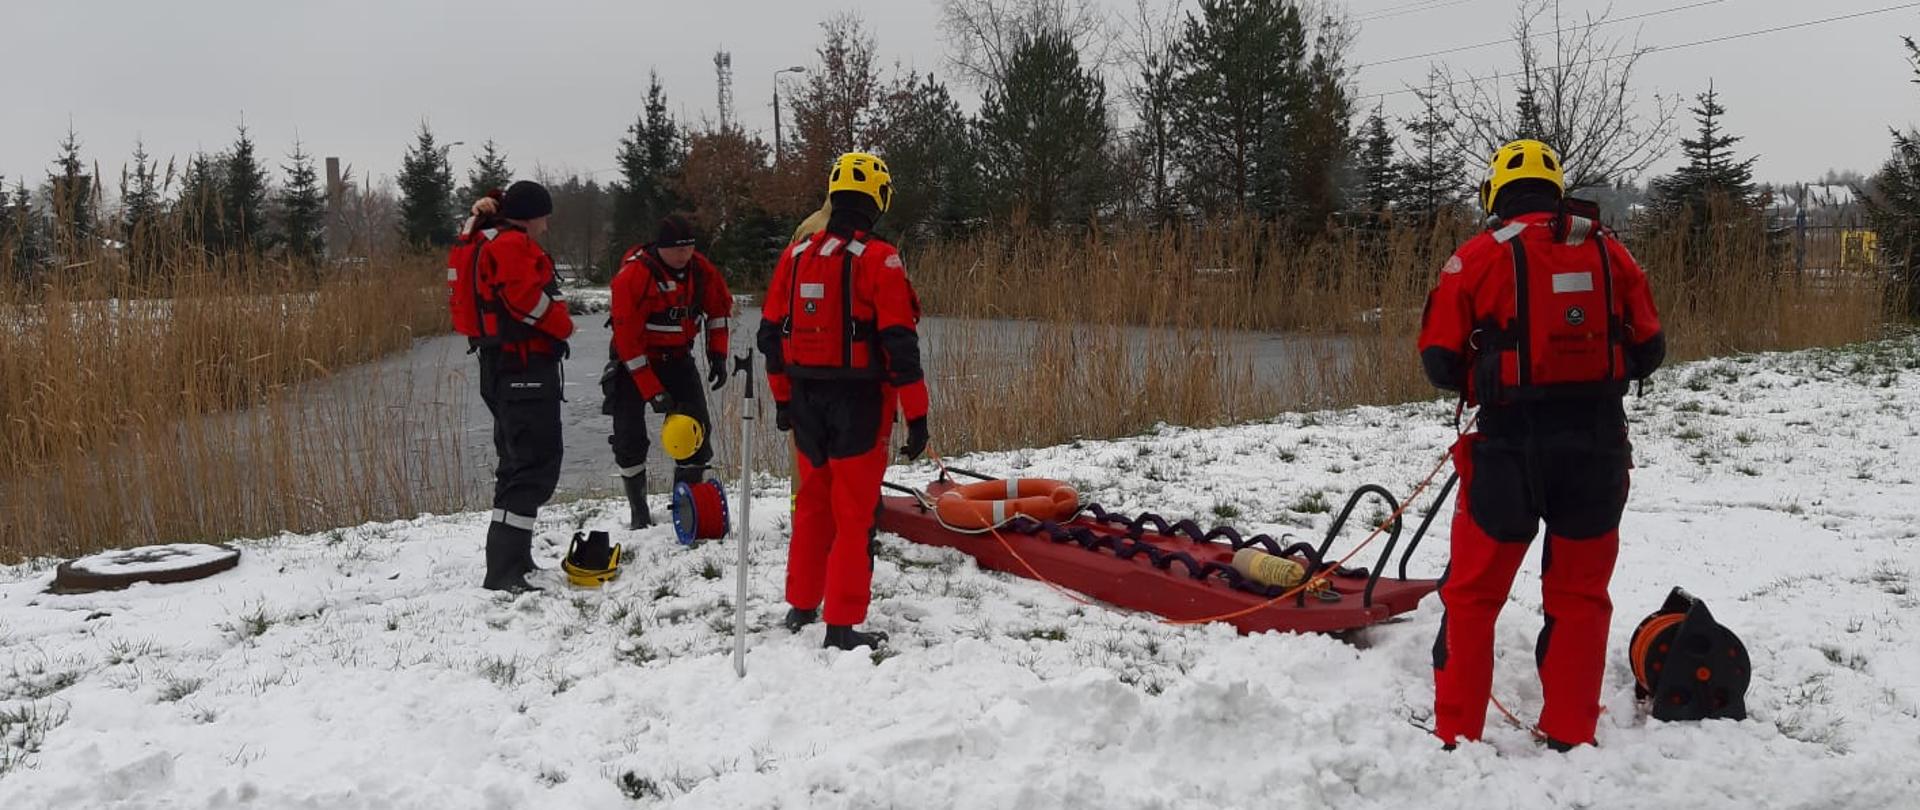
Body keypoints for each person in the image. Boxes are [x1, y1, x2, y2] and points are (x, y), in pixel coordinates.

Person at [1417, 139, 1666, 750]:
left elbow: (1439, 361)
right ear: (1556, 191)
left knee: (1473, 597)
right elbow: (1650, 348)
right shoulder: (1610, 251)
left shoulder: (1477, 256)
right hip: (1597, 448)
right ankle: (1571, 732)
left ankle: (1457, 736)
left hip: (1508, 450)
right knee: (1581, 596)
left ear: (1495, 193)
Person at [758, 152, 930, 651]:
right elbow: (901, 346)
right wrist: (918, 416)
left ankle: (801, 604)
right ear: (879, 199)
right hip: (859, 403)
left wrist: (783, 401)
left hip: (805, 400)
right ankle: (842, 624)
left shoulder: (795, 255)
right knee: (854, 514)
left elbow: (770, 336)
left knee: (813, 504)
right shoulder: (880, 259)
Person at [456, 180, 575, 593]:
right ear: (530, 216)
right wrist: (563, 325)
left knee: (516, 463)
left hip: (505, 367)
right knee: (533, 464)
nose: (546, 225)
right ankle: (505, 570)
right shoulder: (511, 245)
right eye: (544, 217)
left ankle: (514, 561)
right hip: (523, 367)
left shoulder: (489, 238)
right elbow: (525, 300)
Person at [605, 215, 734, 527]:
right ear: (660, 248)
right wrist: (652, 391)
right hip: (633, 362)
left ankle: (686, 506)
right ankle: (639, 512)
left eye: (689, 248)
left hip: (677, 358)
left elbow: (719, 311)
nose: (684, 255)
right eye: (678, 249)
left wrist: (718, 354)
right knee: (629, 437)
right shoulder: (633, 276)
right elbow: (627, 341)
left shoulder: (701, 270)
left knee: (695, 430)